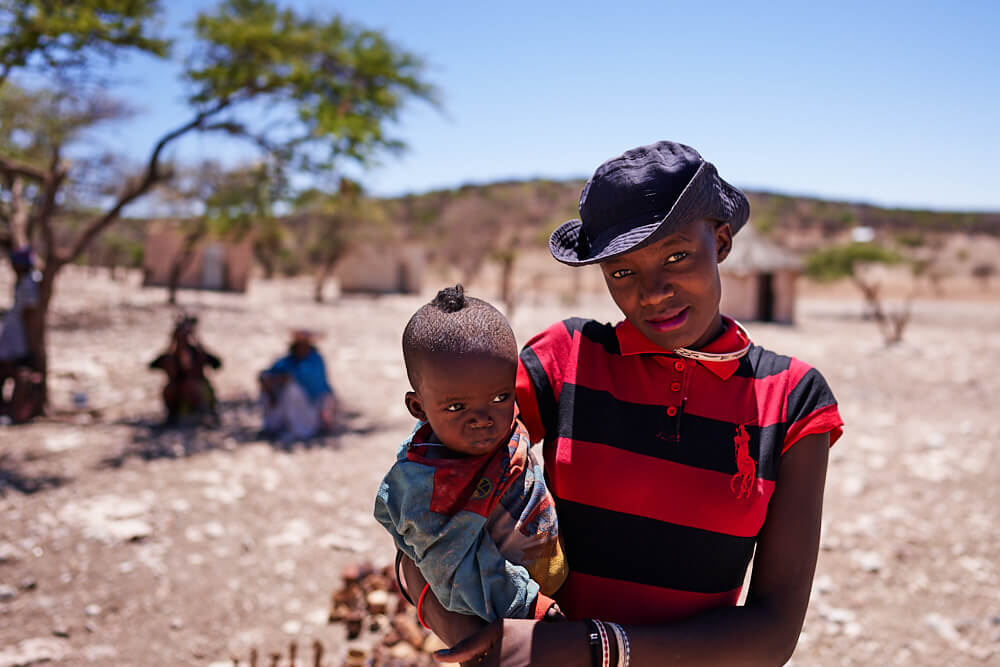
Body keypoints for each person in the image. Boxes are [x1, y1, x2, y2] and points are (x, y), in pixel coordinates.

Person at [399, 141, 844, 666]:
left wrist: (592, 648)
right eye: (622, 272)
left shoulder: (791, 400)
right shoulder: (568, 361)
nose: (653, 292)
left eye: (677, 256)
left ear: (721, 242)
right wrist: (471, 634)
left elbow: (773, 633)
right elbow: (421, 501)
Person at [374, 285, 568, 625]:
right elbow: (453, 568)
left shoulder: (504, 423)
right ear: (418, 407)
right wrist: (529, 605)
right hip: (501, 614)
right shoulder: (427, 487)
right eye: (456, 407)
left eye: (499, 397)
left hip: (551, 595)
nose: (483, 418)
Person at [258, 330, 337, 442]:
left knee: (292, 390)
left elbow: (307, 381)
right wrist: (269, 388)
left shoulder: (315, 361)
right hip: (284, 403)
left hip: (311, 406)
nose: (302, 348)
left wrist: (280, 379)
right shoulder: (288, 361)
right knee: (270, 387)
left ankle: (299, 430)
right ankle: (273, 427)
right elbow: (267, 375)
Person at [149, 314, 222, 424]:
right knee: (171, 388)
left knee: (189, 385)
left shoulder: (197, 352)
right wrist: (171, 345)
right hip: (179, 398)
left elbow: (217, 364)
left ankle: (204, 412)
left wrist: (198, 342)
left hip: (199, 394)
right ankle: (173, 414)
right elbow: (152, 366)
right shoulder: (171, 356)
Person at [0, 247, 43, 423]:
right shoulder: (26, 280)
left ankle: (16, 409)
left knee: (12, 365)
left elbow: (29, 310)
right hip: (13, 330)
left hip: (17, 334)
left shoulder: (30, 282)